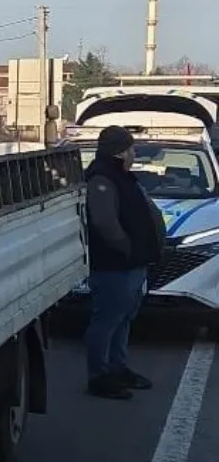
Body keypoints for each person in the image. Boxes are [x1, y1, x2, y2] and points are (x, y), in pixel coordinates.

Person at [83, 125, 167, 400]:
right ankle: (99, 376)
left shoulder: (121, 176)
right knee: (107, 319)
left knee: (123, 319)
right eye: (131, 148)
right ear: (119, 151)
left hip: (131, 264)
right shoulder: (102, 178)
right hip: (114, 266)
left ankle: (117, 368)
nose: (134, 153)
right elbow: (105, 222)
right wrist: (128, 249)